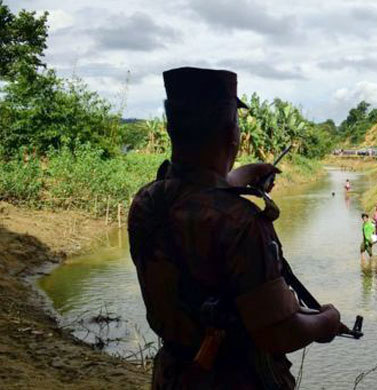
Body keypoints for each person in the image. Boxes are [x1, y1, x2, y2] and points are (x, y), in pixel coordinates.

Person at [128, 67, 344, 389]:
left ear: (172, 130)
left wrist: (235, 178)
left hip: (175, 375)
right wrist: (326, 322)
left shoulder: (147, 202)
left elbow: (191, 195)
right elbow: (276, 332)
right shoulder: (242, 224)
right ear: (232, 133)